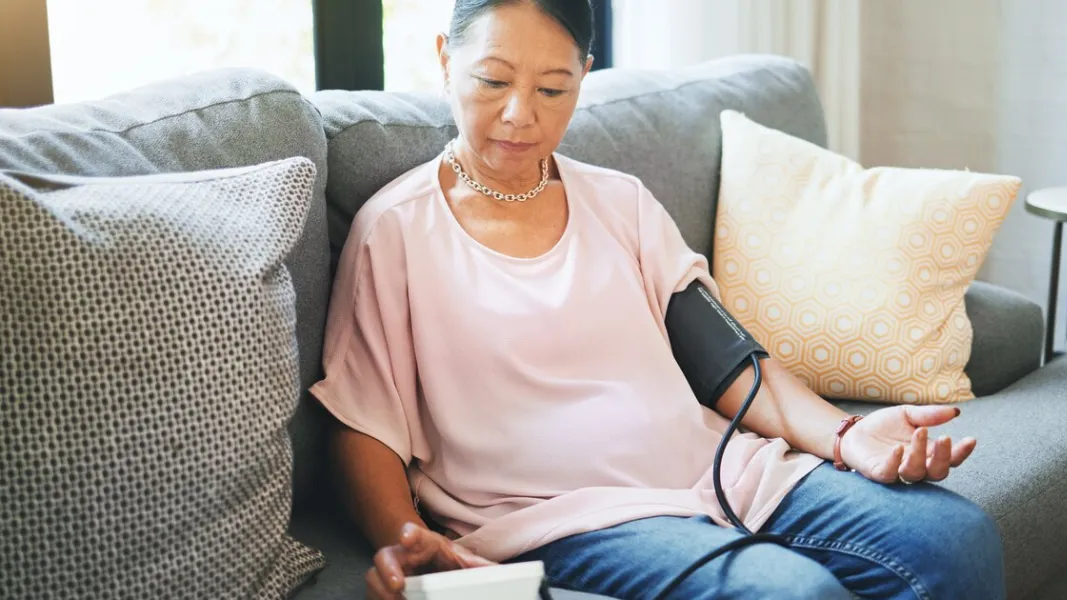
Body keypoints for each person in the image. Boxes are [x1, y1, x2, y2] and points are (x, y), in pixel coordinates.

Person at [309, 1, 1007, 598]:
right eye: (493, 80)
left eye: (552, 89)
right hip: (565, 518)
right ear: (444, 59)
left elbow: (731, 364)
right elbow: (364, 423)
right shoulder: (395, 231)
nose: (519, 114)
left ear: (584, 77)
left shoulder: (622, 204)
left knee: (955, 537)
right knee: (794, 593)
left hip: (721, 472)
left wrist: (848, 437)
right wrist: (406, 536)